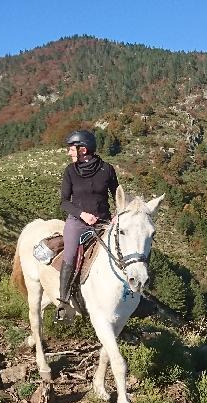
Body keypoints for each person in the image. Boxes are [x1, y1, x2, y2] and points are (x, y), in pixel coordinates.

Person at [57, 129, 119, 319]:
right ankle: (63, 303)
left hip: (104, 222)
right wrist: (82, 214)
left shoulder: (107, 169)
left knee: (122, 252)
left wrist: (117, 215)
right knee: (69, 256)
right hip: (78, 222)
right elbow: (64, 202)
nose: (69, 152)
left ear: (83, 149)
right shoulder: (70, 171)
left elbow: (118, 195)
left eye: (71, 149)